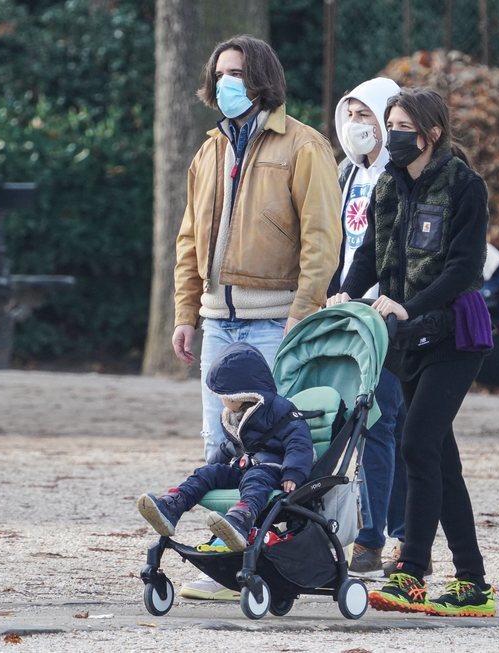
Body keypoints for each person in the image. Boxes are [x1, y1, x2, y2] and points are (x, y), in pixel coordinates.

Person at [171, 35, 341, 599]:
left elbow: (322, 237)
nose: (227, 82)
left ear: (263, 77)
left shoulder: (304, 146)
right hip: (219, 320)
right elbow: (190, 238)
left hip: (276, 323)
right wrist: (186, 311)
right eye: (220, 73)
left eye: (238, 72)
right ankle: (231, 557)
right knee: (217, 442)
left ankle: (271, 559)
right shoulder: (208, 151)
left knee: (271, 445)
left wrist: (303, 312)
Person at [328, 88, 496, 617]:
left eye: (402, 126)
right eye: (390, 124)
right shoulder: (386, 189)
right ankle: (472, 583)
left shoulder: (466, 186)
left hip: (452, 336)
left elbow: (463, 269)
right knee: (441, 462)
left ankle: (410, 573)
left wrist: (408, 306)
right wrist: (345, 291)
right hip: (404, 343)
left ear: (431, 134)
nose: (392, 134)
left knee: (417, 444)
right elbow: (370, 256)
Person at [328, 77, 412, 579]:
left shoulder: (400, 177)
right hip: (347, 314)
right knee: (355, 426)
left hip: (387, 319)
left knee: (382, 424)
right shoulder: (344, 174)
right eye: (351, 115)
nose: (358, 125)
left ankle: (374, 538)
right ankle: (386, 528)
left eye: (368, 116)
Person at [137, 342, 313, 552]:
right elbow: (231, 446)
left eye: (224, 396)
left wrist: (293, 472)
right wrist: (214, 467)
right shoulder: (236, 415)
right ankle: (171, 507)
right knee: (207, 473)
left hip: (272, 469)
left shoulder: (280, 410)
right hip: (243, 466)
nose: (221, 401)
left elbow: (298, 441)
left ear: (240, 395)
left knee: (255, 480)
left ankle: (241, 520)